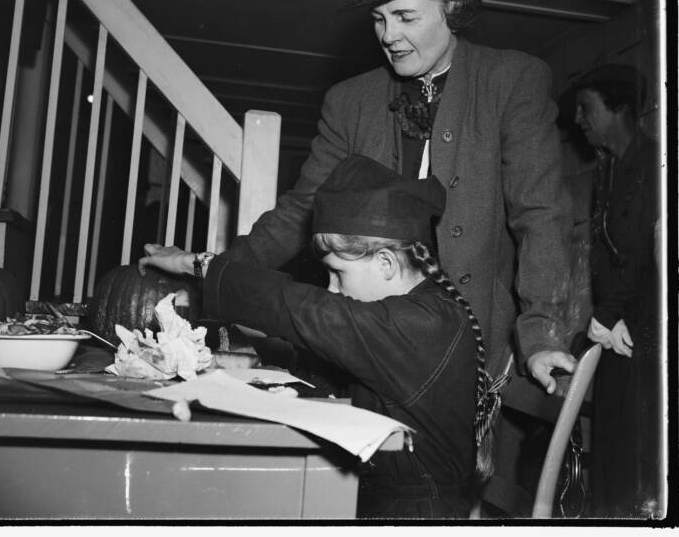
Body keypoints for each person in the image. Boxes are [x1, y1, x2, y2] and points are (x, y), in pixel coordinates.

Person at [141, 0, 577, 514]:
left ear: (453, 5)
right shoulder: (349, 101)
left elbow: (541, 212)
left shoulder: (511, 80)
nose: (389, 36)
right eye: (378, 19)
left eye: (405, 16)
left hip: (473, 349)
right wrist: (219, 272)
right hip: (363, 342)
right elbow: (299, 210)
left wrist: (544, 333)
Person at [139, 155, 508, 519]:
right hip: (380, 497)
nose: (331, 290)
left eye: (337, 273)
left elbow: (309, 311)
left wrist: (197, 264)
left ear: (386, 264)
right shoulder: (413, 314)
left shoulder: (426, 323)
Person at [573, 64, 662, 517]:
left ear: (620, 107)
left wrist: (609, 316)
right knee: (607, 444)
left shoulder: (656, 165)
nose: (578, 119)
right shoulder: (607, 171)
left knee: (633, 452)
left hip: (643, 335)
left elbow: (647, 252)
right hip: (615, 328)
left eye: (586, 108)